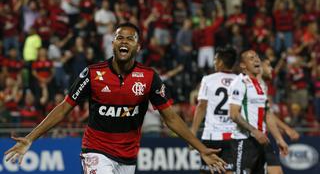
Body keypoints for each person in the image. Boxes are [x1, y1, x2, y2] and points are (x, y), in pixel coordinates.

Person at [4, 23, 226, 174]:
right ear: (112, 43)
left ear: (137, 46)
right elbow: (64, 108)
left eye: (131, 38)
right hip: (95, 150)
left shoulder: (149, 77)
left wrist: (200, 148)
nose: (125, 41)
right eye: (120, 37)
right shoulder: (93, 73)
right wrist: (31, 138)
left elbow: (171, 118)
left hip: (128, 158)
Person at [228, 50, 287, 174]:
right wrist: (254, 131)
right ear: (243, 65)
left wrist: (279, 139)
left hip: (261, 141)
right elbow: (233, 114)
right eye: (251, 58)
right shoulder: (240, 83)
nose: (256, 60)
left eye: (257, 57)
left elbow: (268, 115)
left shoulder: (262, 85)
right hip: (244, 141)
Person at [191, 46, 238, 174]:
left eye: (215, 59)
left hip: (211, 135)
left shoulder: (208, 80)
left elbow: (201, 106)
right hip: (233, 137)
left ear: (221, 62)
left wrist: (193, 133)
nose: (214, 62)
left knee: (208, 172)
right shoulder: (241, 81)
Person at [259, 55, 300, 174]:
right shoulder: (247, 84)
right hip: (247, 139)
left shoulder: (263, 85)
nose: (271, 69)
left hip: (262, 138)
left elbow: (267, 113)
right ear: (259, 67)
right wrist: (286, 131)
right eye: (268, 65)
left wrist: (283, 134)